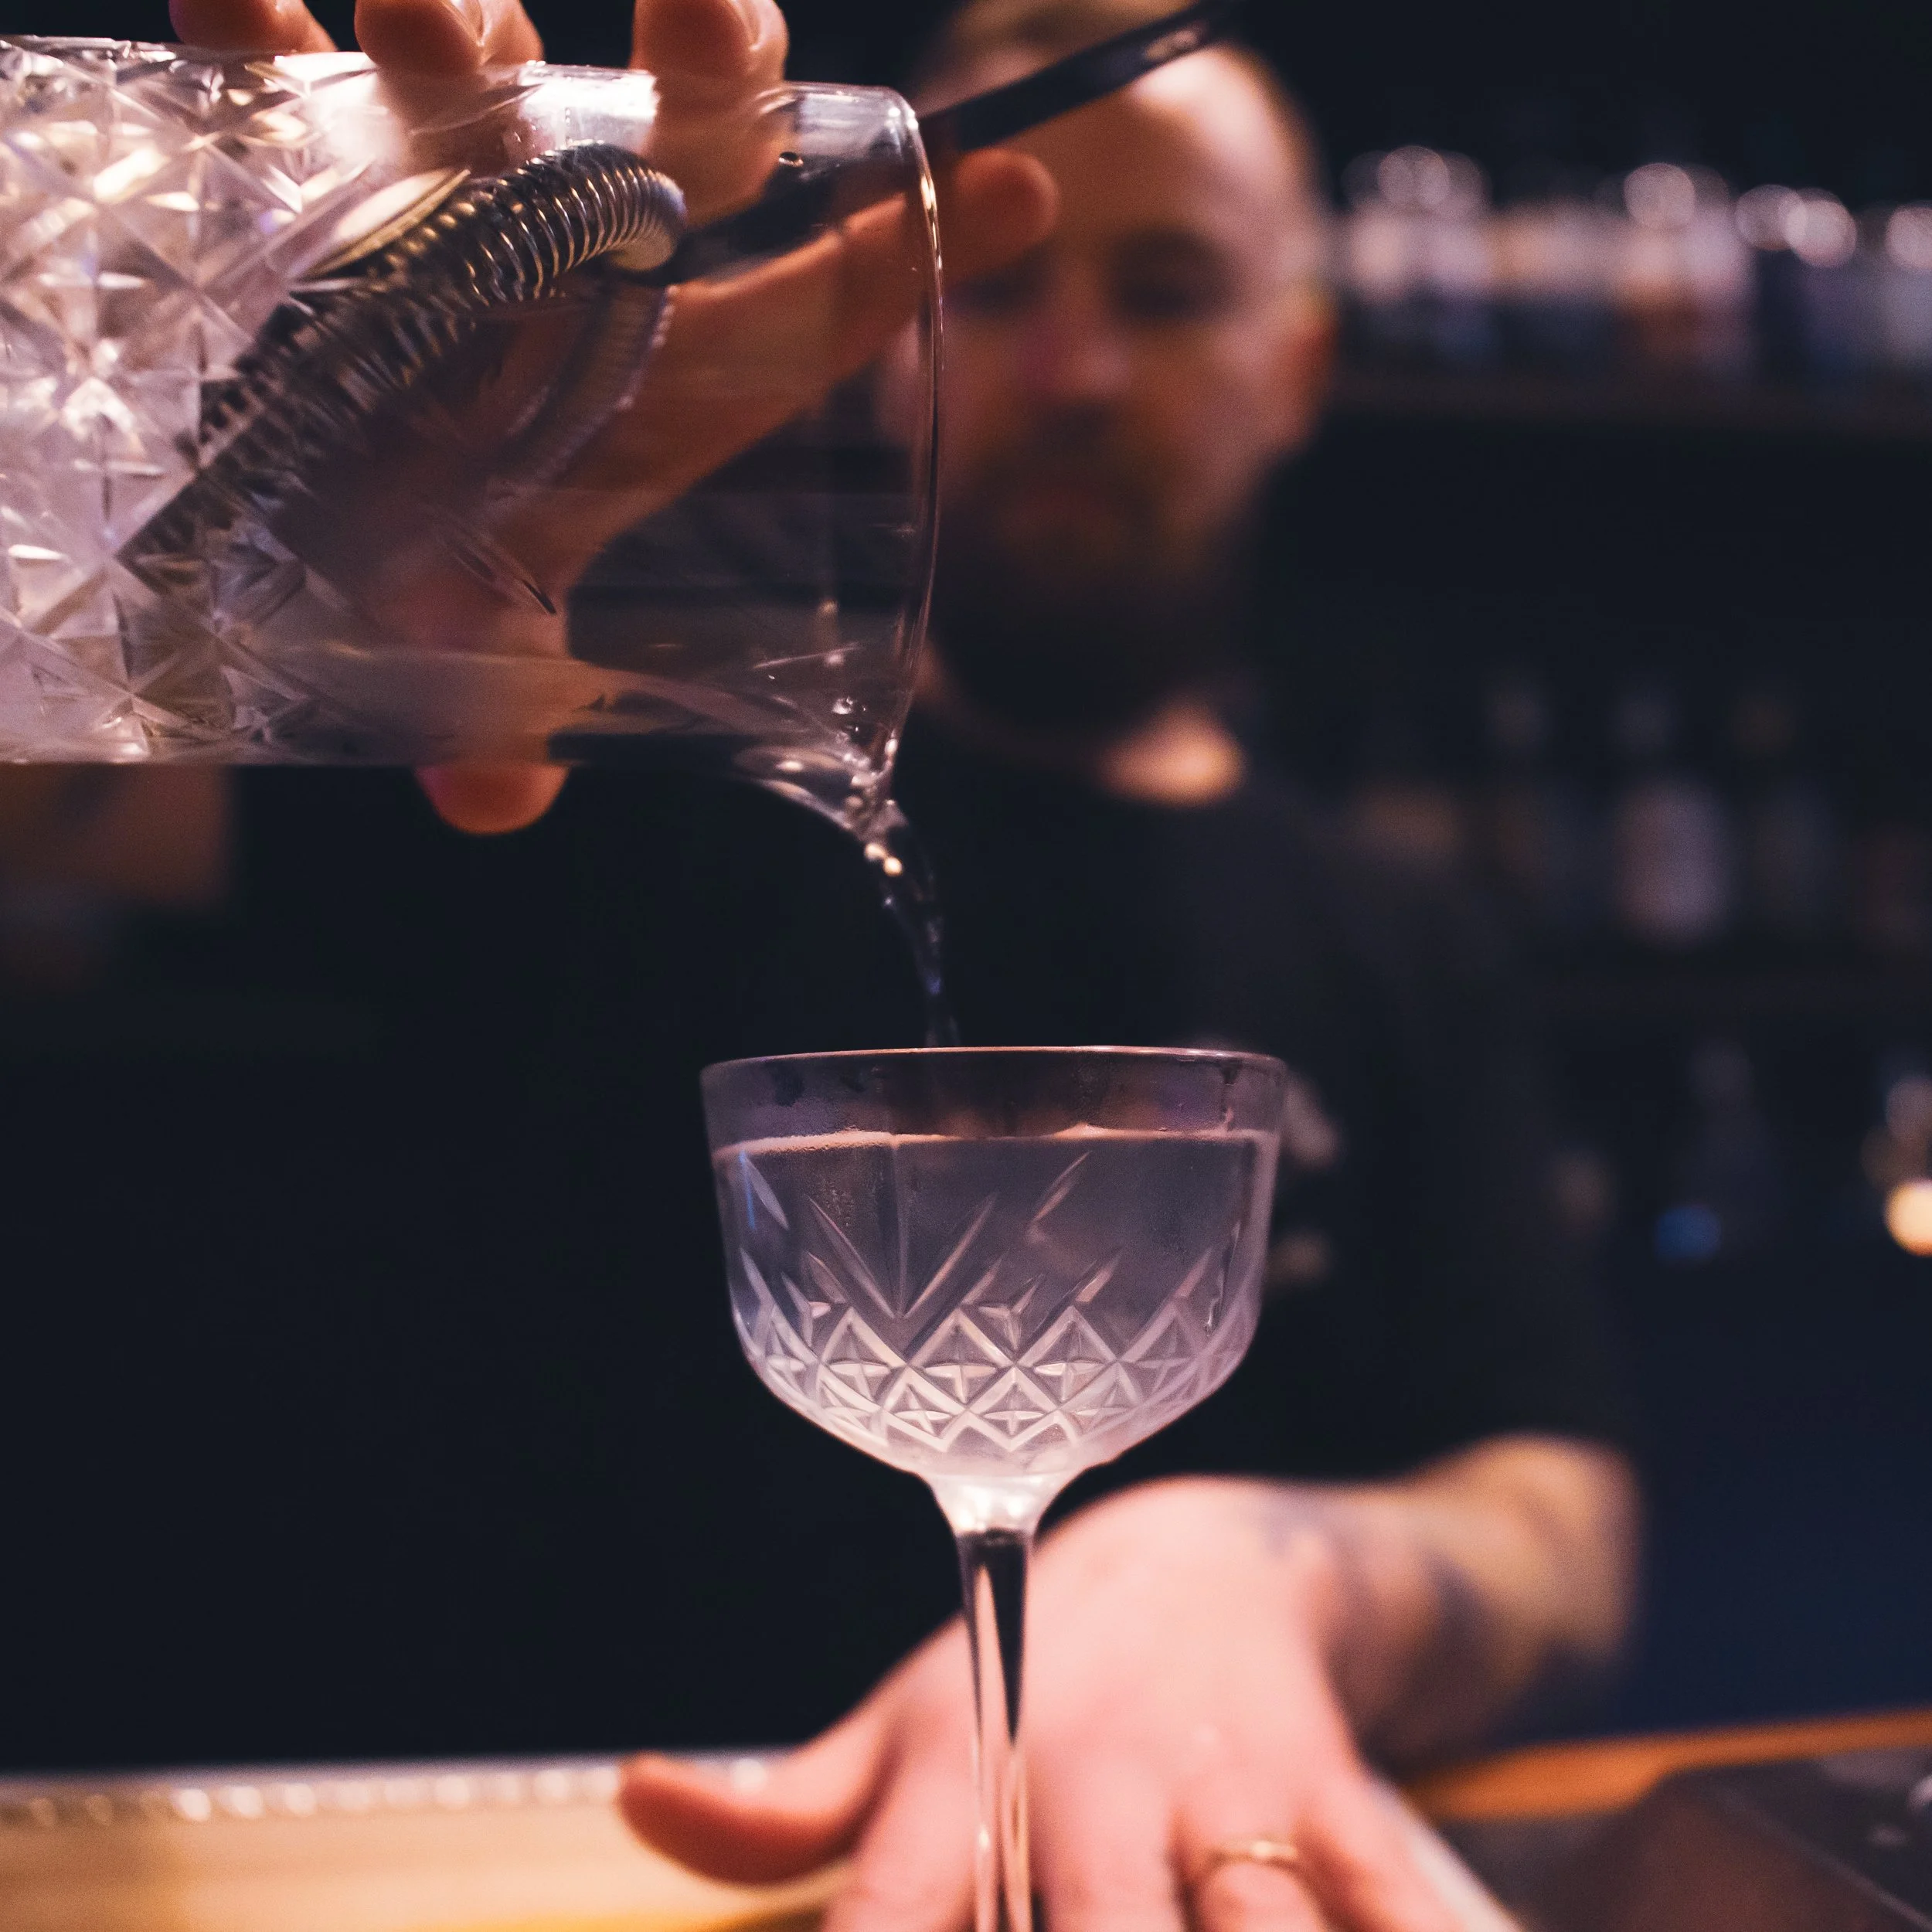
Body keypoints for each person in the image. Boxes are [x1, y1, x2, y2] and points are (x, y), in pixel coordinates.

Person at [0, 4, 1635, 1930]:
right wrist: (172, 538)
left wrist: (1261, 1567)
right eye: (997, 282)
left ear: (1297, 366)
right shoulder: (571, 764)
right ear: (888, 340)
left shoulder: (1395, 923)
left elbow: (1564, 1517)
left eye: (1169, 290)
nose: (1079, 366)